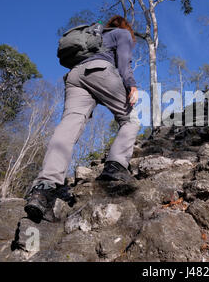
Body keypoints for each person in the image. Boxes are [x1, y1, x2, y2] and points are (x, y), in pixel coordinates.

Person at [24, 15, 141, 220]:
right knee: (131, 119)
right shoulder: (122, 34)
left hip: (74, 77)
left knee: (68, 127)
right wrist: (131, 84)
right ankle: (115, 166)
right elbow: (124, 61)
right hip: (99, 70)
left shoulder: (96, 37)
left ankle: (44, 188)